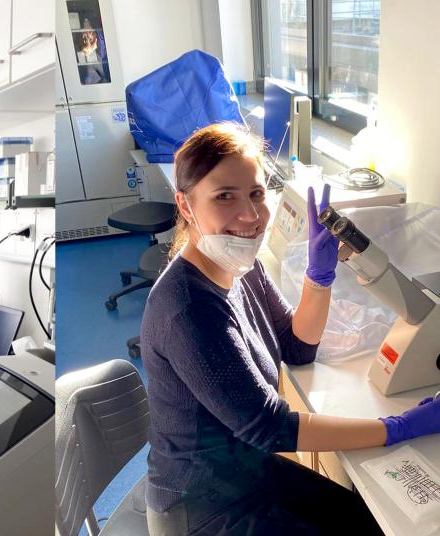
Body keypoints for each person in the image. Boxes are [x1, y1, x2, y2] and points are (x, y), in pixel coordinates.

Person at [140, 122, 440, 535]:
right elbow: (270, 427)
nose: (250, 215)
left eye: (257, 194)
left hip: (250, 473)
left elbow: (297, 346)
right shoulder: (187, 307)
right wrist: (397, 428)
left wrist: (319, 278)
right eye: (224, 196)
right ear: (187, 205)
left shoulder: (243, 268)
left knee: (368, 521)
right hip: (204, 506)